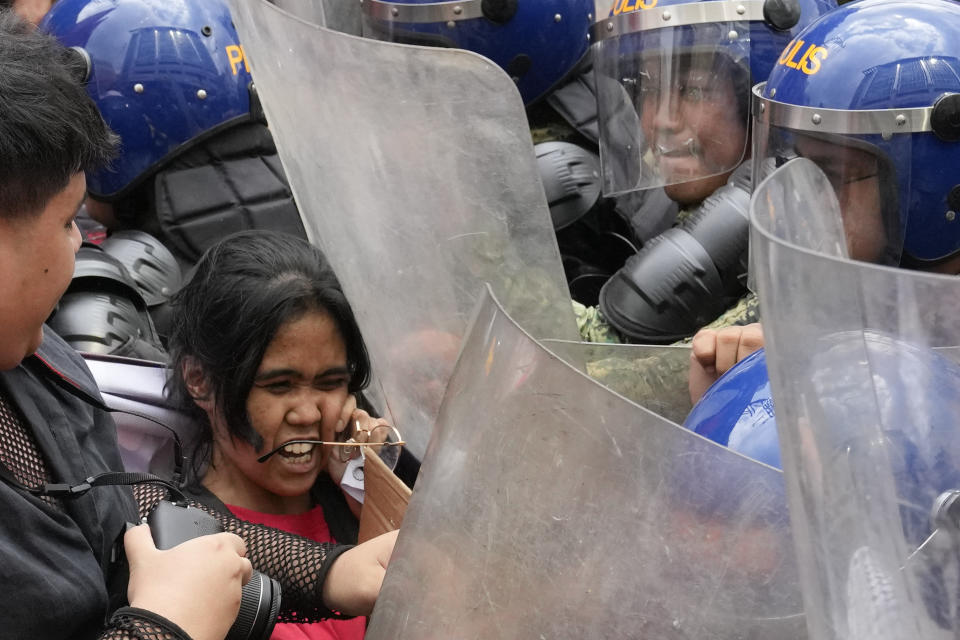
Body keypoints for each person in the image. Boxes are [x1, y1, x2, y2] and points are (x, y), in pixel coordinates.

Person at [0, 11, 394, 639]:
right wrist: (162, 627)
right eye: (68, 220)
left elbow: (120, 510)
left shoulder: (39, 365)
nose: (80, 247)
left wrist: (326, 571)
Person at [688, 0, 960, 401]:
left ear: (935, 196)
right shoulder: (840, 302)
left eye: (830, 174)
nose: (795, 205)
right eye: (798, 164)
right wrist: (730, 400)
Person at [166, 230, 399, 640]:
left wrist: (377, 494)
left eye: (330, 383)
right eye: (279, 386)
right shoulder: (182, 552)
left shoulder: (351, 503)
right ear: (199, 380)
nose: (309, 413)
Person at [577, 0, 837, 344]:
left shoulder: (800, 249)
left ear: (762, 98)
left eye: (693, 90)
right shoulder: (670, 209)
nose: (660, 120)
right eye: (647, 88)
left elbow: (619, 368)